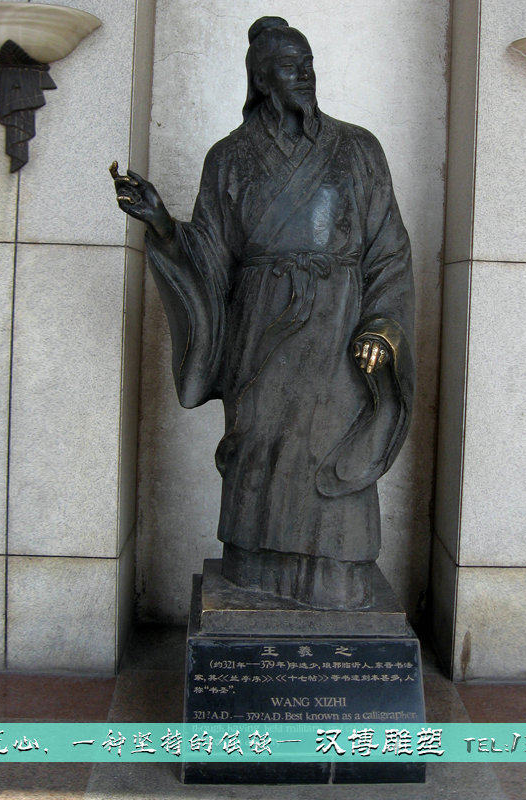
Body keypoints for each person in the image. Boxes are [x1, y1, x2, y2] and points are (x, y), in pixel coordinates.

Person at [111, 16, 414, 610]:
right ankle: (253, 568)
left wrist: (382, 326)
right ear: (261, 78)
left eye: (309, 64)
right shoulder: (229, 157)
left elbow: (390, 252)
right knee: (259, 446)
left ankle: (333, 575)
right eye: (290, 66)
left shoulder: (358, 149)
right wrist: (164, 226)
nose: (305, 75)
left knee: (329, 447)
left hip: (337, 331)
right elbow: (210, 254)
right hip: (260, 333)